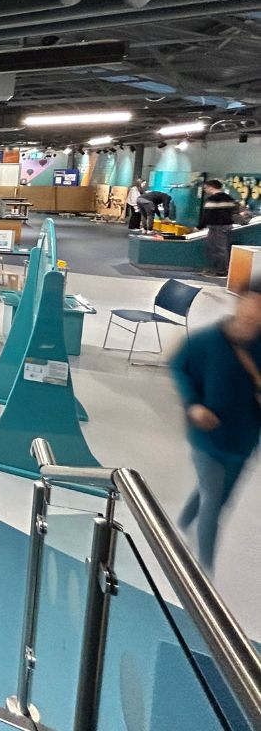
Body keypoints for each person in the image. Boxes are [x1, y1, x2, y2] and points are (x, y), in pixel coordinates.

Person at [173, 285, 261, 571]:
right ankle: (204, 572)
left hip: (244, 438)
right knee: (213, 501)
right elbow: (179, 365)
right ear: (240, 304)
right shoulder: (210, 340)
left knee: (217, 496)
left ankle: (181, 525)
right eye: (251, 305)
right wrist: (193, 404)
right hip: (207, 437)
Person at [199, 178, 241, 277]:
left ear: (211, 187)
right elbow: (235, 211)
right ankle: (218, 270)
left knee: (218, 249)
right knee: (220, 249)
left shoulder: (212, 199)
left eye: (206, 188)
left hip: (216, 227)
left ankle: (221, 271)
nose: (205, 190)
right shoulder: (229, 198)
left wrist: (199, 227)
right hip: (226, 226)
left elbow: (207, 215)